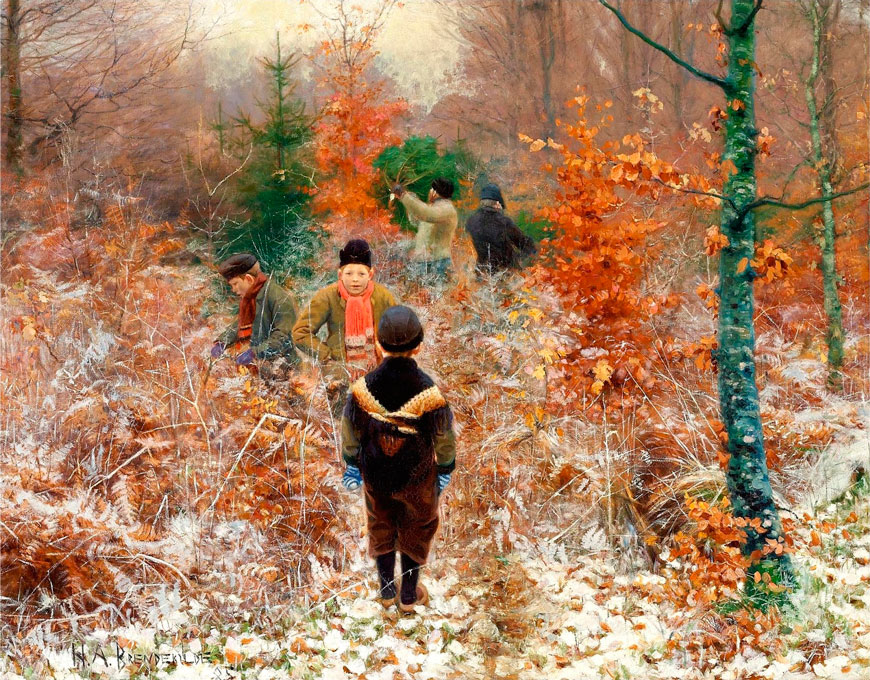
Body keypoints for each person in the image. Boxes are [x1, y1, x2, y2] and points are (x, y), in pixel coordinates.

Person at [340, 305, 456, 612]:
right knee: (416, 526)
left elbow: (350, 429)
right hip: (417, 476)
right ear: (418, 345)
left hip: (375, 473)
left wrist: (351, 463)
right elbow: (444, 436)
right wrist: (445, 467)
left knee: (381, 523)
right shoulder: (429, 392)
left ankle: (386, 590)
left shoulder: (362, 389)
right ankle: (408, 595)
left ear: (378, 343)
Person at [292, 239, 397, 409]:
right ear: (340, 274)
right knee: (343, 415)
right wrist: (327, 355)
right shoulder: (327, 297)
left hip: (377, 369)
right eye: (349, 274)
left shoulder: (383, 297)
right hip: (340, 370)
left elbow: (398, 332)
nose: (355, 280)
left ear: (370, 274)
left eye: (361, 274)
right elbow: (300, 333)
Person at [212, 253, 299, 378]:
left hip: (285, 370)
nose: (233, 290)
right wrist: (222, 341)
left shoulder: (278, 298)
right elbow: (241, 323)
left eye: (235, 284)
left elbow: (284, 337)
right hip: (261, 369)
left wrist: (255, 353)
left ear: (249, 279)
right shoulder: (252, 298)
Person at [392, 178, 458, 282]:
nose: (430, 192)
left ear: (435, 192)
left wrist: (404, 196)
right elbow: (417, 220)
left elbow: (425, 214)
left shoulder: (447, 209)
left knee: (435, 296)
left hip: (438, 263)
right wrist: (409, 199)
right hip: (425, 262)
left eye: (432, 189)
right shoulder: (436, 208)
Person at [464, 183, 536, 273]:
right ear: (497, 203)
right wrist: (524, 255)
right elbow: (523, 244)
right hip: (505, 273)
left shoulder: (471, 221)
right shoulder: (503, 222)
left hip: (482, 272)